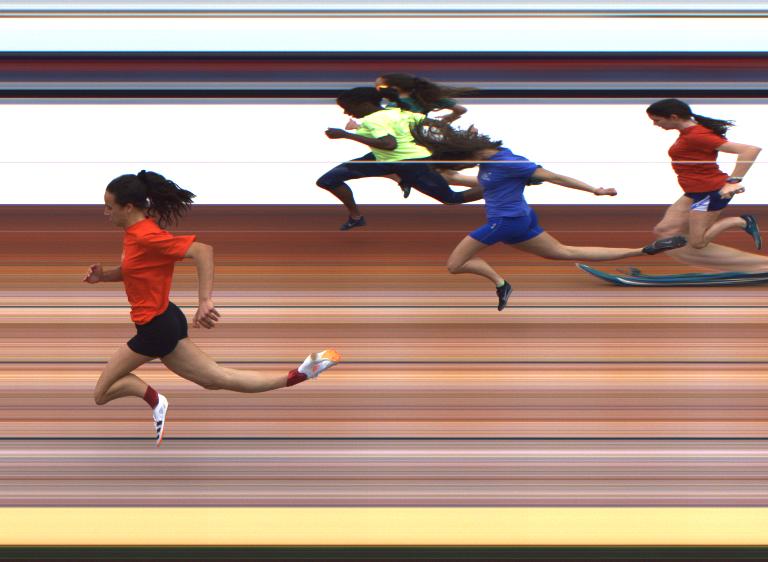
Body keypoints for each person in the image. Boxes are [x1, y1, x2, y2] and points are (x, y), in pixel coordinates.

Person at [85, 171, 340, 445]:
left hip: (154, 329)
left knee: (102, 393)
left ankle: (156, 400)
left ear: (128, 207)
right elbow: (135, 269)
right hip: (166, 319)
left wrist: (205, 300)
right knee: (216, 378)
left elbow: (202, 251)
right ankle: (299, 375)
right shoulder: (136, 232)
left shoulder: (146, 236)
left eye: (109, 207)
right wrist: (104, 276)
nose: (105, 212)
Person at [418, 125, 687, 310]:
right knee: (564, 252)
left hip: (504, 222)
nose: (459, 166)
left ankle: (501, 283)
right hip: (520, 220)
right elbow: (467, 180)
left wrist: (595, 190)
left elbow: (555, 177)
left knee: (455, 264)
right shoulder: (491, 161)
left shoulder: (511, 163)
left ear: (469, 154)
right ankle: (644, 250)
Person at [644, 99, 768, 273]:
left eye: (657, 120)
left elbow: (750, 150)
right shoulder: (688, 133)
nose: (655, 124)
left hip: (708, 192)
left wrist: (733, 182)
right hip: (694, 191)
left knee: (698, 243)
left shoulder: (697, 135)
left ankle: (741, 222)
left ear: (673, 117)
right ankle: (747, 265)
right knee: (665, 229)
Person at [317, 87, 466, 230]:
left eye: (347, 108)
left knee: (451, 198)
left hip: (410, 163)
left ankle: (486, 187)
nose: (346, 112)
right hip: (383, 160)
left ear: (364, 104)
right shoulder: (398, 112)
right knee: (328, 180)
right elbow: (432, 124)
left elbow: (389, 144)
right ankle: (357, 217)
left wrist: (346, 135)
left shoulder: (373, 120)